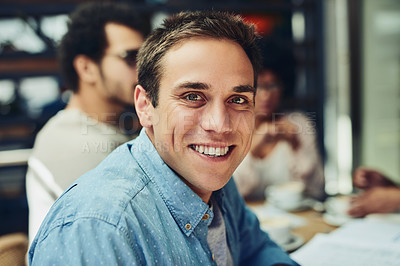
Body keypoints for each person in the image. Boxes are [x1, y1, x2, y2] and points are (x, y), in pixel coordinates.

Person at [28, 11, 299, 265]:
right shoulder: (99, 229)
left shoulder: (215, 179)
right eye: (192, 97)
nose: (220, 125)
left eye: (238, 99)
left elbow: (257, 249)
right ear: (145, 106)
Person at [25, 2, 150, 245]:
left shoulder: (111, 129)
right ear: (86, 68)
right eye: (130, 57)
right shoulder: (72, 142)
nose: (142, 71)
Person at [233, 38, 326, 201]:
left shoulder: (298, 123)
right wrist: (253, 149)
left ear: (285, 85)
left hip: (294, 222)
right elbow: (229, 195)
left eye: (273, 85)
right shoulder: (230, 126)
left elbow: (316, 189)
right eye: (259, 86)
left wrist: (296, 145)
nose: (266, 95)